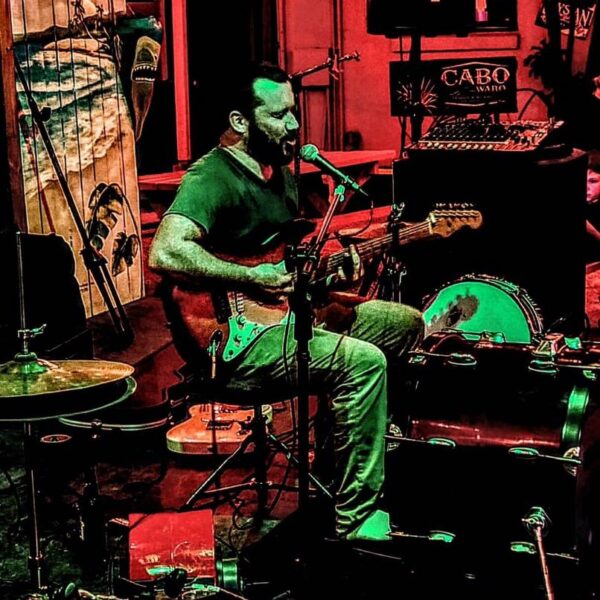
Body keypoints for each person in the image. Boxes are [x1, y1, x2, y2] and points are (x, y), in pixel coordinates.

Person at [148, 62, 424, 541]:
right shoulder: (212, 177)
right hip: (234, 342)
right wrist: (248, 276)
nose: (294, 125)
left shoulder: (283, 176)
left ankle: (343, 470)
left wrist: (336, 274)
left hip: (285, 317)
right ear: (240, 121)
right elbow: (165, 250)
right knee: (363, 363)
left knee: (405, 324)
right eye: (279, 115)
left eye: (293, 112)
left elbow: (289, 272)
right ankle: (355, 518)